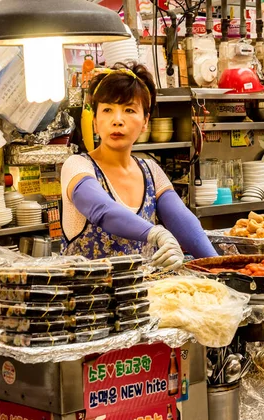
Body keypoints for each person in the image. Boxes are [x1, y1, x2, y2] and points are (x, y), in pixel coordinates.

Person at [61, 62, 217, 269]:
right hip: (88, 299)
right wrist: (157, 233)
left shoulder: (150, 171)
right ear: (95, 122)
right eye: (107, 109)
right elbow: (102, 210)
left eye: (129, 110)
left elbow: (185, 225)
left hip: (146, 299)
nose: (117, 120)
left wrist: (220, 268)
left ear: (145, 121)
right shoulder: (77, 166)